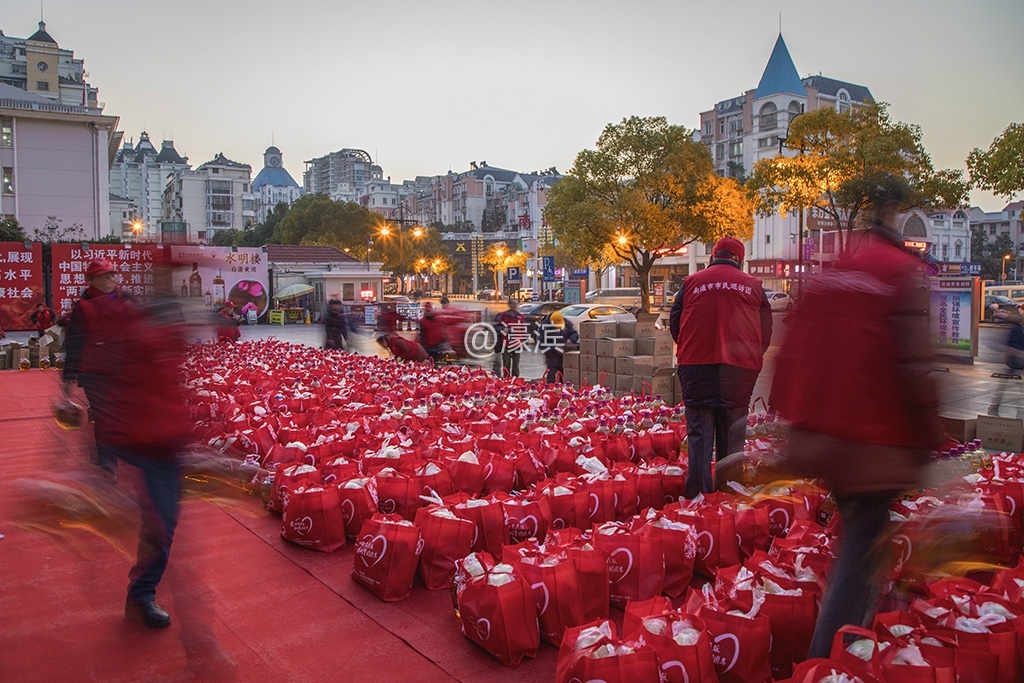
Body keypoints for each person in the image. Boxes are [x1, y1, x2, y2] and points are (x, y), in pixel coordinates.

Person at [770, 175, 941, 658]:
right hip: (873, 440)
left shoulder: (833, 272)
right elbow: (914, 366)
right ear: (893, 211)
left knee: (859, 539)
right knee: (861, 551)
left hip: (823, 435)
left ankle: (843, 645)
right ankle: (831, 660)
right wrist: (930, 440)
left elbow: (791, 350)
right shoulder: (899, 272)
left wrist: (792, 422)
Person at [63, 258, 192, 629]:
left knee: (165, 522)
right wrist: (68, 383)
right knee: (160, 522)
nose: (110, 280)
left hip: (166, 436)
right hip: (140, 430)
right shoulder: (114, 317)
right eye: (104, 275)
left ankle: (144, 593)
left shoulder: (145, 313)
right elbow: (81, 347)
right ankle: (142, 594)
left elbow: (171, 380)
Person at [669, 236, 772, 498]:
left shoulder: (691, 283)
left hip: (696, 365)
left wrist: (691, 346)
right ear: (739, 259)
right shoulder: (753, 285)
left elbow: (675, 323)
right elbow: (765, 331)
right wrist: (751, 356)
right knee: (733, 437)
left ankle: (697, 501)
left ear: (713, 256)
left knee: (699, 436)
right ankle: (728, 500)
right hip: (739, 368)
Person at [537, 310, 579, 383]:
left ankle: (562, 388)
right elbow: (540, 341)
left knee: (563, 376)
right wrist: (554, 347)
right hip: (551, 355)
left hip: (563, 355)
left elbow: (574, 333)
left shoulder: (566, 323)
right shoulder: (544, 326)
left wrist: (570, 340)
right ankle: (551, 388)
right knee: (551, 376)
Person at [495, 296, 527, 378]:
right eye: (513, 304)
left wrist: (524, 341)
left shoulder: (520, 317)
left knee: (516, 363)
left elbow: (523, 330)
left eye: (516, 304)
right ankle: (506, 379)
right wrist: (503, 329)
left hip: (517, 343)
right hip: (506, 343)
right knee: (506, 363)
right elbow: (497, 327)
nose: (514, 306)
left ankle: (515, 379)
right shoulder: (503, 316)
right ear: (509, 305)